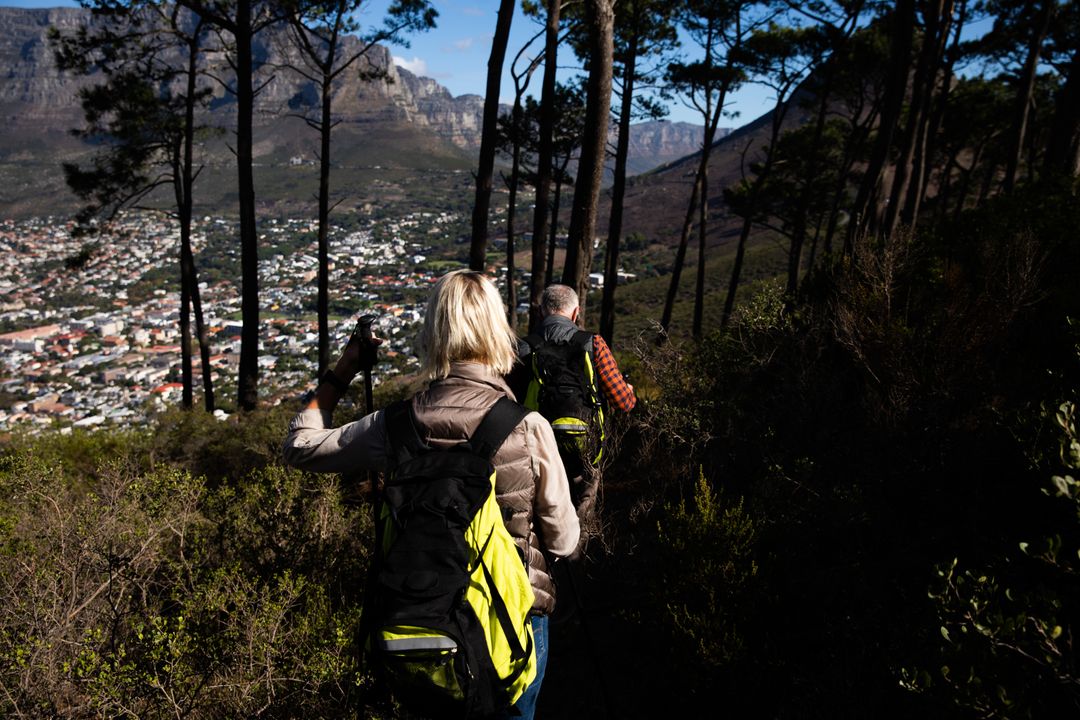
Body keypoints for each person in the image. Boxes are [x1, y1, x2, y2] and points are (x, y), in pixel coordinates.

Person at [282, 269, 579, 720]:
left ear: (434, 330)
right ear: (497, 328)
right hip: (512, 626)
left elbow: (300, 447)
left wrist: (345, 368)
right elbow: (563, 542)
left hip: (419, 620)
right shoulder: (528, 427)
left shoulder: (396, 424)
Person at [516, 284, 636, 537]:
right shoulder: (592, 344)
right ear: (576, 313)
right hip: (586, 448)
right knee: (582, 514)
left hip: (537, 449)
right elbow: (624, 403)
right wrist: (628, 389)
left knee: (539, 517)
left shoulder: (524, 348)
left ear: (540, 313)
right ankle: (578, 558)